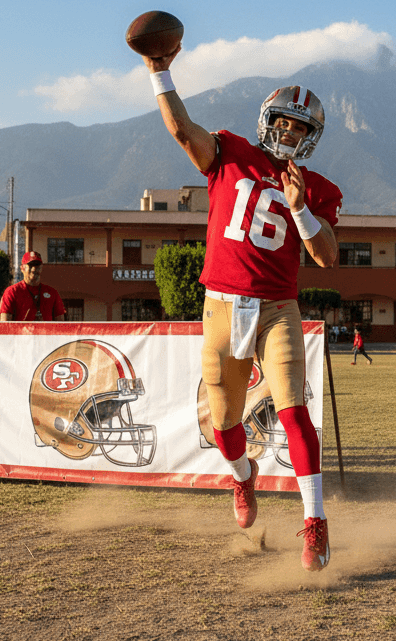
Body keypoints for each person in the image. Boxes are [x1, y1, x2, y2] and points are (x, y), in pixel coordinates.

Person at [144, 47, 340, 572]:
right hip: (221, 304)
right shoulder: (229, 151)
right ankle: (242, 476)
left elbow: (325, 256)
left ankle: (315, 522)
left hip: (279, 308)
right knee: (225, 423)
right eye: (283, 123)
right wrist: (159, 70)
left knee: (294, 411)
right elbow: (184, 132)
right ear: (266, 121)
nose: (290, 135)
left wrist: (299, 208)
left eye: (300, 130)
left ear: (311, 138)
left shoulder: (318, 189)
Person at [0, 251, 66, 322]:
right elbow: (4, 325)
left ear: (41, 268)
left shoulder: (52, 293)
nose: (34, 269)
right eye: (30, 266)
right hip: (21, 333)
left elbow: (60, 325)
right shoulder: (12, 292)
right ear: (22, 268)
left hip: (45, 333)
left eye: (37, 265)